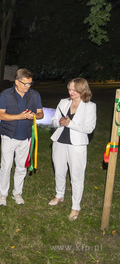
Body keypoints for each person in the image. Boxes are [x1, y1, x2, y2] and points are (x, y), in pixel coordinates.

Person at [49, 78, 96, 221]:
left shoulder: (90, 106)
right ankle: (59, 195)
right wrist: (59, 122)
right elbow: (53, 120)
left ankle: (76, 207)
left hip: (77, 145)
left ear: (83, 90)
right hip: (59, 141)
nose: (71, 92)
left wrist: (70, 123)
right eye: (69, 89)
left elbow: (89, 128)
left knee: (76, 176)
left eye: (74, 90)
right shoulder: (63, 102)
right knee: (59, 170)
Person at [0, 68, 44, 206]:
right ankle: (3, 194)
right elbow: (1, 115)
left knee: (21, 167)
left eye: (30, 83)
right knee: (6, 166)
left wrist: (34, 115)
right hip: (9, 136)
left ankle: (17, 193)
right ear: (17, 82)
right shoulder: (6, 94)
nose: (28, 86)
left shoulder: (34, 95)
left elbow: (41, 114)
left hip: (27, 137)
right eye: (25, 83)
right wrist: (20, 116)